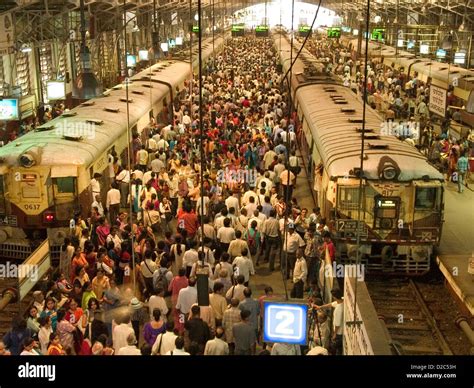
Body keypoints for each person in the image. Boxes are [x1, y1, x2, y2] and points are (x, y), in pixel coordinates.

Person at [314, 289, 344, 355]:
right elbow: (331, 304)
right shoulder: (342, 301)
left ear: (334, 297)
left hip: (339, 332)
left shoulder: (338, 310)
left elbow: (337, 324)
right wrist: (320, 307)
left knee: (337, 350)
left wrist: (334, 334)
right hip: (339, 331)